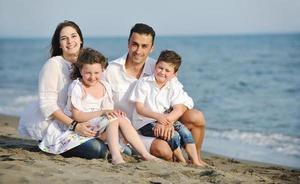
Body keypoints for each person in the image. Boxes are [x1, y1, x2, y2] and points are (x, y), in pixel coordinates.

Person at [104, 23, 206, 163]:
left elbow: (183, 101)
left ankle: (196, 160)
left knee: (196, 116)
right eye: (135, 44)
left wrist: (168, 121)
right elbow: (100, 105)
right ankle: (175, 157)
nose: (139, 51)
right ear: (128, 43)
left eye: (144, 46)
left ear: (152, 48)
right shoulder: (110, 70)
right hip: (131, 130)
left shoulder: (160, 67)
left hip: (160, 121)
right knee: (163, 150)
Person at [39, 48, 158, 164]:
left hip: (97, 125)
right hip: (78, 127)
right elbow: (77, 116)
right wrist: (103, 112)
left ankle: (144, 154)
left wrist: (114, 112)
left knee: (118, 118)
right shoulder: (77, 87)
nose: (92, 77)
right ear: (81, 71)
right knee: (112, 120)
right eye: (88, 73)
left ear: (102, 71)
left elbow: (108, 110)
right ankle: (116, 157)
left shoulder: (104, 86)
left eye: (96, 73)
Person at [18, 20, 108, 159]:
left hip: (84, 121)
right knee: (98, 150)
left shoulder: (87, 65)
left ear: (81, 39)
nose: (70, 41)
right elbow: (48, 105)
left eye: (73, 36)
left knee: (119, 145)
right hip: (60, 126)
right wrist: (75, 126)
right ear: (59, 44)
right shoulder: (53, 65)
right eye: (64, 38)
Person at [130, 50, 202, 166]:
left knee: (185, 132)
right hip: (144, 122)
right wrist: (159, 117)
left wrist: (167, 121)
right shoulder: (144, 83)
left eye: (167, 70)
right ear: (155, 66)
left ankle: (196, 161)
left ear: (174, 74)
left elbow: (179, 107)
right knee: (173, 135)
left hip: (164, 119)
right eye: (160, 68)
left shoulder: (172, 85)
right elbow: (139, 108)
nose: (162, 72)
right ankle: (181, 161)